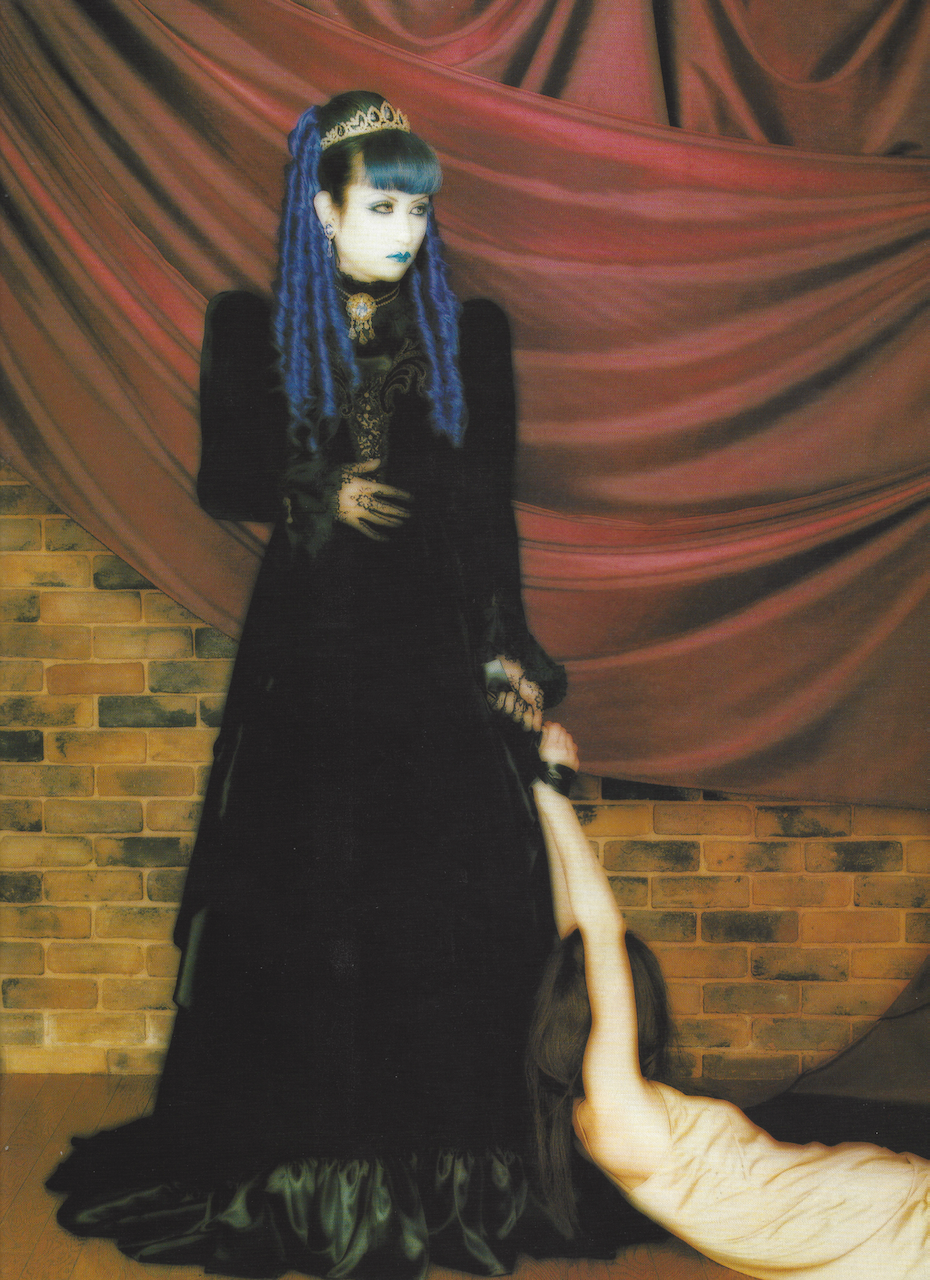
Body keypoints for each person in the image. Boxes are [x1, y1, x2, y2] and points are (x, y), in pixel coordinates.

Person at [47, 90, 574, 1280]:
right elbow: (221, 474)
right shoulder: (258, 327)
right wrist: (318, 486)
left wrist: (506, 651)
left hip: (429, 651)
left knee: (432, 900)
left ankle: (436, 1169)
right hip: (312, 650)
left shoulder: (467, 334)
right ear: (324, 212)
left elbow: (484, 508)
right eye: (381, 207)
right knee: (302, 897)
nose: (405, 231)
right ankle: (296, 1166)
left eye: (419, 211)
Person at [527, 723, 930, 1280]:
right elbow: (599, 935)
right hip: (870, 1219)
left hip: (853, 1204)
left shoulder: (592, 1108)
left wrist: (550, 800)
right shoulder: (613, 1103)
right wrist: (551, 790)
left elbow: (576, 935)